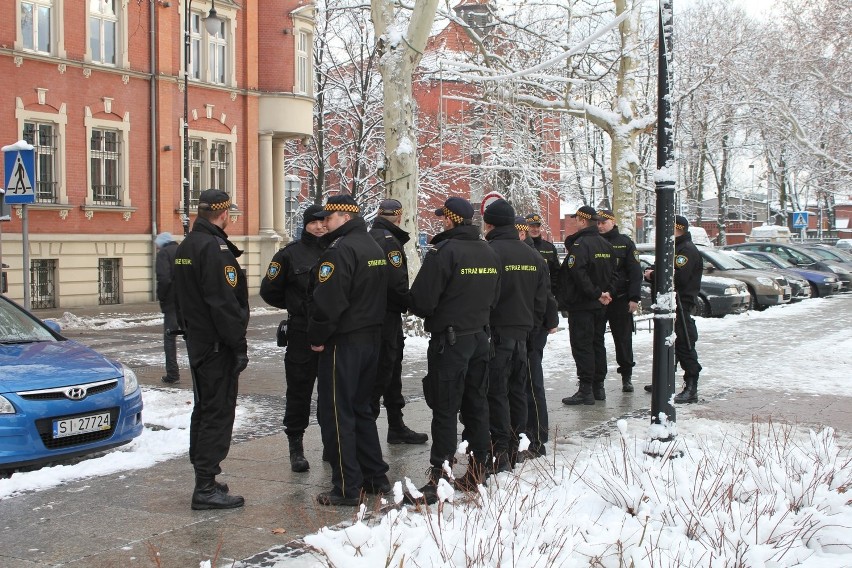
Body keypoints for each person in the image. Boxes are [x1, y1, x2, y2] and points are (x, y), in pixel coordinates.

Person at [408, 197, 500, 503]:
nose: (441, 222)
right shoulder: (487, 250)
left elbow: (421, 301)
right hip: (479, 338)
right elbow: (495, 297)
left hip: (450, 341)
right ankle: (477, 469)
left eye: (443, 217)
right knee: (477, 403)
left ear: (451, 219)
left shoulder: (443, 251)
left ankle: (441, 475)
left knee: (445, 408)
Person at [308, 194, 391, 506]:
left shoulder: (340, 250)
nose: (324, 224)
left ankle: (346, 486)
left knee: (337, 412)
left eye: (328, 218)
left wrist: (317, 335)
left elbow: (330, 301)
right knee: (360, 410)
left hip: (343, 342)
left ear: (342, 216)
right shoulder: (373, 245)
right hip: (371, 339)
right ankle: (375, 477)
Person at [173, 189, 249, 510]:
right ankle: (205, 486)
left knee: (204, 410)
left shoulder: (186, 246)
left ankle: (204, 477)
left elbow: (177, 297)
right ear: (223, 215)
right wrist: (238, 344)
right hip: (217, 347)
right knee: (217, 412)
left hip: (198, 342)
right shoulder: (215, 249)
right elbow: (224, 304)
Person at [482, 200, 548, 472]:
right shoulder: (533, 256)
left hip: (496, 334)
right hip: (523, 335)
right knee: (518, 391)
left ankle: (500, 451)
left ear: (489, 224)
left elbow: (485, 296)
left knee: (496, 392)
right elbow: (541, 300)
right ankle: (516, 444)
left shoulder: (488, 252)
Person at [259, 205, 327, 473]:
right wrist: (295, 305)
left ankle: (329, 445)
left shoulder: (336, 250)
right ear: (306, 224)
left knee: (330, 392)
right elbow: (270, 290)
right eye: (315, 223)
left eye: (324, 222)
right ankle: (296, 447)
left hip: (331, 333)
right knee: (299, 390)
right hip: (301, 332)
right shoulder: (289, 254)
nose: (320, 227)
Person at [368, 199, 428, 445]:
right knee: (385, 373)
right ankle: (371, 431)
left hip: (372, 316)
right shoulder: (390, 243)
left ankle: (395, 426)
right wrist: (415, 304)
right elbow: (396, 284)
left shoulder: (370, 236)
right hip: (387, 317)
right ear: (400, 215)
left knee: (389, 373)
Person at [556, 205, 616, 406]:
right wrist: (606, 293)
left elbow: (577, 274)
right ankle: (599, 388)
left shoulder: (581, 245)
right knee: (597, 344)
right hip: (601, 305)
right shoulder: (606, 245)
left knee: (582, 346)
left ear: (582, 221)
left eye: (576, 220)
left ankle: (586, 390)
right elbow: (613, 274)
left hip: (583, 305)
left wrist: (597, 294)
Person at [643, 215, 703, 403]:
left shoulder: (686, 251)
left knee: (684, 344)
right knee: (667, 344)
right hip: (667, 303)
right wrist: (653, 273)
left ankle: (691, 386)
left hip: (680, 304)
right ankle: (665, 380)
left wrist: (654, 275)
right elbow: (659, 269)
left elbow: (678, 278)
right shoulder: (672, 248)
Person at [518, 216, 559, 458]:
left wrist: (550, 321)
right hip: (533, 327)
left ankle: (536, 436)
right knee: (530, 383)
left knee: (531, 384)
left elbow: (547, 293)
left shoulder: (536, 255)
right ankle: (534, 435)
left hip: (530, 329)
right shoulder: (534, 256)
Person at [596, 209, 643, 393]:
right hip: (599, 299)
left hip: (620, 300)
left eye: (603, 222)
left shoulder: (625, 243)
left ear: (613, 222)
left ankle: (627, 376)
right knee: (596, 340)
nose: (600, 225)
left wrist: (634, 298)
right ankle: (597, 380)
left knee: (623, 340)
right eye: (598, 222)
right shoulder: (594, 242)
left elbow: (635, 272)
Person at [155, 232, 181, 384]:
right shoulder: (182, 250)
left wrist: (163, 298)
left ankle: (172, 374)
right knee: (192, 338)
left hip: (172, 302)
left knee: (170, 338)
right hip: (188, 302)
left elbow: (163, 279)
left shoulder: (164, 254)